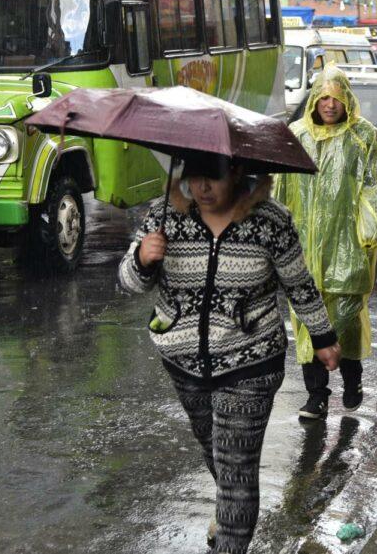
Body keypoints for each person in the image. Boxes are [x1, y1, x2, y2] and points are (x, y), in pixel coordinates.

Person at [119, 154, 340, 554]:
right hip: (183, 361)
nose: (202, 188)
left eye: (213, 178)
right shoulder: (165, 215)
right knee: (215, 452)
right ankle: (229, 509)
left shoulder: (270, 221)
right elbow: (131, 283)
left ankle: (231, 532)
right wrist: (142, 259)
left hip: (250, 362)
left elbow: (298, 284)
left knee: (236, 468)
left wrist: (323, 337)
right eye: (195, 177)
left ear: (237, 173)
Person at [275, 65, 377, 420]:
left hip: (348, 248)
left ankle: (352, 380)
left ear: (347, 100)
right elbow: (280, 187)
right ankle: (317, 395)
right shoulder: (297, 135)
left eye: (336, 98)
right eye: (323, 97)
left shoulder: (363, 135)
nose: (329, 104)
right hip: (304, 251)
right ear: (314, 100)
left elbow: (373, 186)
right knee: (308, 324)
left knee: (346, 322)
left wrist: (368, 233)